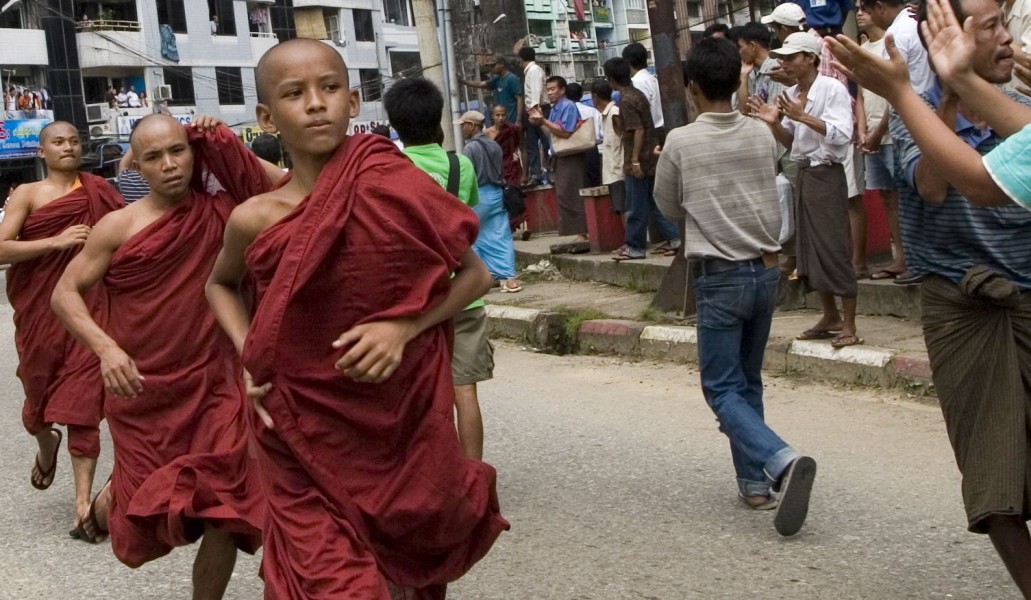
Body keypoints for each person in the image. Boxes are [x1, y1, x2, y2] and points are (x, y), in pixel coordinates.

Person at [207, 40, 507, 598]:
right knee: (334, 580)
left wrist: (404, 327)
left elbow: (474, 276)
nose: (316, 104)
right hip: (300, 418)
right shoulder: (255, 217)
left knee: (399, 572)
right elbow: (219, 284)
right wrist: (252, 356)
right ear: (267, 117)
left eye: (328, 89)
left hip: (397, 418)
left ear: (352, 101)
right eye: (295, 94)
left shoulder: (394, 183)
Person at [828, 2, 1031, 592]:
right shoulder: (910, 117)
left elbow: (979, 180)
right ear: (945, 42)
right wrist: (937, 104)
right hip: (965, 308)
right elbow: (934, 185)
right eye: (987, 25)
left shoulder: (1020, 110)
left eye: (1002, 22)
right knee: (995, 488)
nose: (1004, 37)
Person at [51, 115, 281, 596]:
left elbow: (284, 184)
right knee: (149, 504)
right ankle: (105, 504)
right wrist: (106, 348)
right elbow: (65, 293)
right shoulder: (118, 226)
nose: (170, 165)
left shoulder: (223, 213)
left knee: (226, 506)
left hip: (214, 385)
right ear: (138, 164)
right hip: (143, 391)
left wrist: (219, 140)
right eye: (153, 157)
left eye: (179, 151)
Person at [655, 37, 817, 537]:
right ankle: (754, 481)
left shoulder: (682, 141)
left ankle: (780, 459)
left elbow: (667, 206)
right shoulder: (761, 135)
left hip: (720, 277)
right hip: (766, 271)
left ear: (694, 86)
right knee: (747, 383)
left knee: (721, 387)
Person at [0, 121, 123, 537]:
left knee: (82, 405)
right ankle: (44, 441)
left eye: (74, 141)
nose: (68, 147)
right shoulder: (27, 194)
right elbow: (1, 247)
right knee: (37, 410)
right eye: (58, 142)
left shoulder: (99, 191)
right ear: (42, 151)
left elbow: (126, 237)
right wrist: (55, 242)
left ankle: (82, 502)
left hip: (89, 308)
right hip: (39, 316)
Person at [386, 75, 489, 465]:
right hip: (463, 294)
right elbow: (468, 215)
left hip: (412, 298)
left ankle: (430, 468)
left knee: (419, 392)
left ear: (395, 125)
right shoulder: (459, 164)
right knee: (466, 391)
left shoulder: (390, 166)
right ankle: (474, 473)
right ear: (440, 119)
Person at [748, 32, 861, 348]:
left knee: (833, 247)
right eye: (783, 58)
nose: (784, 64)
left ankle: (849, 322)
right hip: (805, 174)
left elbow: (841, 135)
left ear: (811, 58)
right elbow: (792, 145)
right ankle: (830, 315)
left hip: (827, 174)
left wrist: (802, 116)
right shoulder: (795, 92)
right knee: (810, 249)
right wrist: (775, 123)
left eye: (790, 57)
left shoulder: (831, 89)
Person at [605, 57, 681, 261]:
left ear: (611, 79)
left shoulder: (627, 100)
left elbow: (637, 129)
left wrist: (635, 160)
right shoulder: (636, 95)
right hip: (650, 154)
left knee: (635, 205)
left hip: (639, 158)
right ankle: (676, 238)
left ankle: (635, 246)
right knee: (655, 202)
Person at [854, 6, 907, 279]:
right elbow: (861, 96)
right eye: (856, 9)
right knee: (886, 197)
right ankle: (897, 254)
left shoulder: (892, 42)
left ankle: (906, 257)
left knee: (902, 196)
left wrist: (877, 132)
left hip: (891, 133)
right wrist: (863, 129)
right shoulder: (864, 50)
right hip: (871, 134)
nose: (859, 14)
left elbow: (895, 95)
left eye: (864, 8)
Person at [458, 110, 522, 295]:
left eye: (464, 125)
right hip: (497, 194)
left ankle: (480, 278)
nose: (462, 128)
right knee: (501, 235)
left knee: (473, 237)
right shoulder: (494, 145)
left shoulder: (470, 148)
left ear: (471, 125)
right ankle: (510, 278)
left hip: (479, 195)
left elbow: (468, 177)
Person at [530, 75, 588, 243]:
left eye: (553, 89)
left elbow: (565, 131)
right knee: (564, 195)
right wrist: (539, 122)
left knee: (573, 193)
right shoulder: (555, 108)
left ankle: (582, 232)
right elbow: (552, 134)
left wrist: (544, 121)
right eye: (548, 90)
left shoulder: (568, 106)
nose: (550, 93)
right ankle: (577, 231)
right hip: (559, 155)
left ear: (562, 90)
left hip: (571, 154)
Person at [592, 80, 626, 219]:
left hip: (618, 169)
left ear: (595, 97)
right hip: (613, 170)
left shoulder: (614, 113)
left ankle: (632, 240)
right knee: (620, 208)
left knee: (623, 208)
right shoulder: (606, 114)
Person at [457, 55, 523, 126]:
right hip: (500, 122)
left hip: (510, 121)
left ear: (501, 64)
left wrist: (518, 120)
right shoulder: (497, 79)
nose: (492, 68)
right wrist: (462, 81)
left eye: (493, 65)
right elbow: (480, 84)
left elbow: (520, 99)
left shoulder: (512, 79)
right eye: (490, 66)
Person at [622, 42, 665, 143]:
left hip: (649, 135)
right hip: (661, 130)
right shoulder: (654, 79)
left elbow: (641, 115)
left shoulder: (636, 83)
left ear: (627, 62)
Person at [520, 47, 549, 186]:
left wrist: (535, 111)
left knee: (545, 141)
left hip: (538, 109)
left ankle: (549, 171)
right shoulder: (531, 71)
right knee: (531, 143)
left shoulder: (534, 70)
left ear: (522, 60)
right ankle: (536, 174)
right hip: (532, 110)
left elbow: (536, 91)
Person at [566, 82, 602, 188]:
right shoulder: (593, 111)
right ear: (581, 95)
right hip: (591, 149)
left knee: (576, 184)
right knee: (594, 183)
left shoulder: (565, 113)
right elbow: (600, 134)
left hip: (572, 151)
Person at [485, 104, 523, 187]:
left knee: (513, 194)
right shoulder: (487, 133)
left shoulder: (512, 129)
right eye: (497, 115)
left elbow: (518, 145)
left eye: (503, 115)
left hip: (511, 167)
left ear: (506, 116)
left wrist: (515, 154)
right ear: (492, 116)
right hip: (496, 168)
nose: (500, 118)